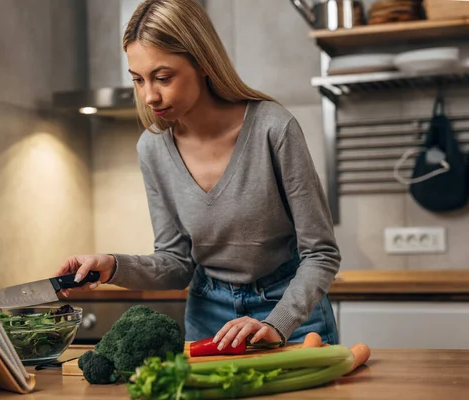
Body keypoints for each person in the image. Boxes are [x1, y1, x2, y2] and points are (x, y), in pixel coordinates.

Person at [56, 0, 340, 350]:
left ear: (203, 62)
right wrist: (113, 266)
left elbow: (321, 254)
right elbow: (176, 263)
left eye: (163, 77)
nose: (149, 95)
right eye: (138, 79)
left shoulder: (273, 128)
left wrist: (277, 323)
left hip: (291, 314)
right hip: (208, 317)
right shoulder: (152, 148)